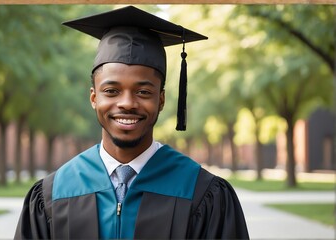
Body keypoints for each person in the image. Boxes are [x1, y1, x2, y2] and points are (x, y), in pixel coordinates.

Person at [14, 5, 249, 239]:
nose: (127, 103)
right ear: (94, 98)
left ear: (161, 99)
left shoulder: (201, 192)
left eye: (144, 92)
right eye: (112, 91)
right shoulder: (53, 193)